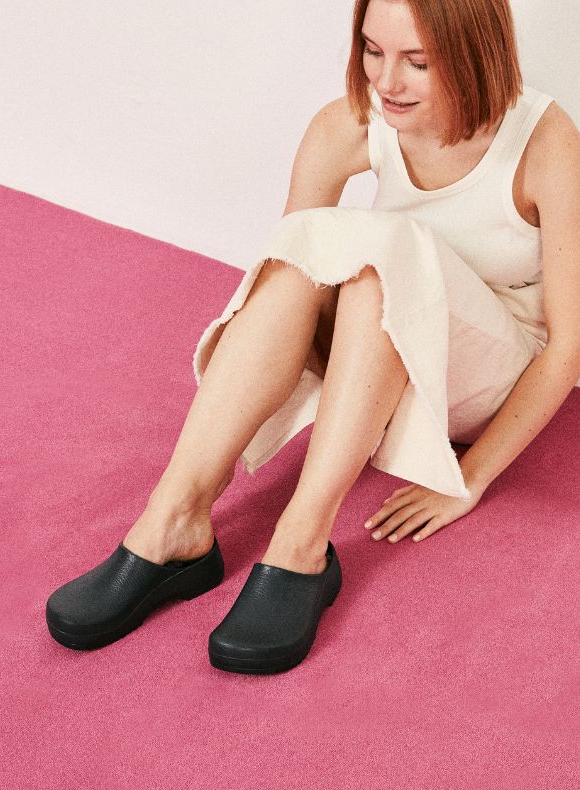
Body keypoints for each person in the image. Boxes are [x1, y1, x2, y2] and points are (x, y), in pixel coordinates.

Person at [45, 0, 579, 674]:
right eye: (372, 50)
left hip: (481, 382)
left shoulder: (545, 141)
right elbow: (290, 280)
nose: (387, 81)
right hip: (379, 358)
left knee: (382, 252)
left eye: (417, 62)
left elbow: (566, 348)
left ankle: (301, 543)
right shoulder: (347, 124)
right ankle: (174, 518)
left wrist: (467, 482)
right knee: (303, 248)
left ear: (475, 53)